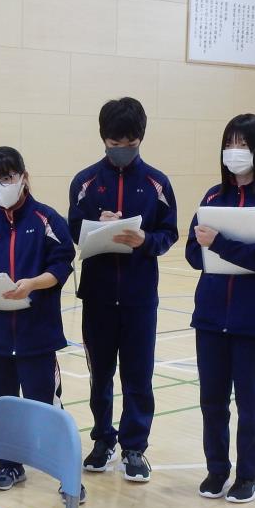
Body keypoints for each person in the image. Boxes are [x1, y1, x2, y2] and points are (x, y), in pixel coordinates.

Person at [184, 114, 255, 505]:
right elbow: (191, 254)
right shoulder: (213, 197)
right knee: (212, 401)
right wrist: (208, 245)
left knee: (251, 404)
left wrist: (220, 244)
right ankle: (217, 470)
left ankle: (249, 475)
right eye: (229, 142)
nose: (235, 151)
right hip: (212, 318)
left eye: (243, 143)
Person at [67, 97, 179, 483]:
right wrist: (97, 225)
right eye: (114, 142)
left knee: (137, 376)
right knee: (100, 374)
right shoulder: (84, 183)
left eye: (128, 141)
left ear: (140, 138)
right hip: (97, 296)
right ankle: (103, 440)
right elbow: (71, 229)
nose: (121, 148)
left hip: (139, 298)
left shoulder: (157, 183)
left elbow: (169, 233)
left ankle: (134, 447)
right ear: (103, 138)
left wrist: (145, 238)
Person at [0, 147, 77, 496]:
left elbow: (62, 262)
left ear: (24, 177)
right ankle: (10, 466)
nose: (1, 186)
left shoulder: (46, 220)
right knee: (1, 404)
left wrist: (34, 283)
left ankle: (65, 473)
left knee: (46, 407)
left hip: (36, 334)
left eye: (7, 178)